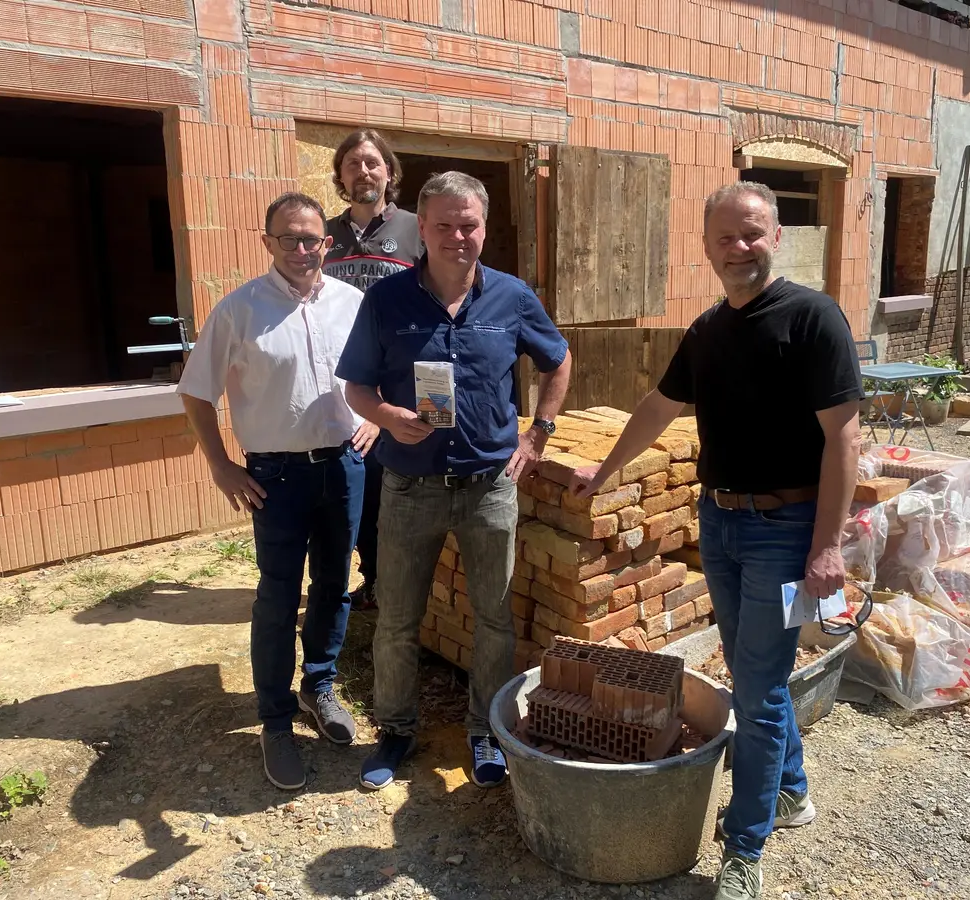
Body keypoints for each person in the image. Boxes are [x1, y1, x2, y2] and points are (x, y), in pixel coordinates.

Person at [565, 182, 862, 900]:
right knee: (755, 674)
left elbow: (843, 438)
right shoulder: (705, 332)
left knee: (754, 690)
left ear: (777, 237)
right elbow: (658, 409)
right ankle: (791, 793)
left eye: (754, 233)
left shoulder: (813, 318)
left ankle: (745, 847)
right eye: (726, 237)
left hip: (787, 533)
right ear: (706, 246)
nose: (740, 248)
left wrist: (827, 547)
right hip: (720, 523)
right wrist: (602, 470)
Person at [336, 171, 573, 792]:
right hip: (410, 485)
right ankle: (396, 729)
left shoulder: (512, 297)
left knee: (494, 618)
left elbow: (559, 359)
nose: (457, 236)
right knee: (396, 618)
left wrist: (538, 432)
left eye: (468, 224)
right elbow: (356, 385)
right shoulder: (386, 301)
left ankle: (485, 731)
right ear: (423, 228)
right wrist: (386, 416)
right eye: (443, 224)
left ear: (484, 227)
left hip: (488, 485)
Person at [177, 192, 379, 792]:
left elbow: (380, 372)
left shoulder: (352, 303)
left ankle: (319, 685)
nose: (300, 248)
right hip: (276, 478)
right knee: (276, 595)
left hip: (345, 466)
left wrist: (372, 419)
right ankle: (275, 721)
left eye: (310, 238)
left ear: (327, 244)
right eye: (287, 237)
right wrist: (220, 465)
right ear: (267, 241)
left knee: (335, 585)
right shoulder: (239, 310)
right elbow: (195, 391)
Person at [322, 129, 423, 613]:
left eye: (372, 163)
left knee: (391, 491)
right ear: (340, 176)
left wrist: (379, 398)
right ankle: (372, 578)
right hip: (337, 386)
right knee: (353, 495)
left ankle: (394, 583)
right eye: (352, 165)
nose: (363, 172)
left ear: (389, 171)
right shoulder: (325, 237)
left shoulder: (417, 229)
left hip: (391, 387)